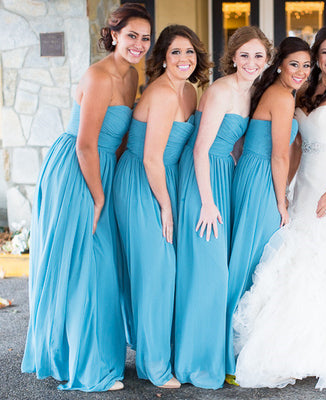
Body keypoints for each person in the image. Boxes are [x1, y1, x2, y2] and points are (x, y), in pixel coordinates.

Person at [233, 26, 326, 398]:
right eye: (324, 53)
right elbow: (293, 145)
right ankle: (293, 344)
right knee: (298, 252)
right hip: (306, 179)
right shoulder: (305, 88)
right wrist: (289, 186)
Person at [21, 4, 151, 392]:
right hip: (78, 174)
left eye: (145, 38)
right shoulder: (99, 75)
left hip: (102, 170)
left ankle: (85, 354)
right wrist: (98, 198)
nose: (139, 44)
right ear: (114, 35)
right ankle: (85, 366)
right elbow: (85, 145)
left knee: (100, 265)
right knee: (84, 266)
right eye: (132, 36)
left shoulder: (132, 74)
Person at [173, 26, 271, 389]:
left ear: (267, 59)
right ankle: (195, 363)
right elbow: (200, 149)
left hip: (223, 175)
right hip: (202, 179)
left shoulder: (252, 92)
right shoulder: (221, 90)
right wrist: (207, 202)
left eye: (258, 56)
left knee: (219, 271)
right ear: (232, 58)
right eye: (244, 55)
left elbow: (236, 144)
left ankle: (214, 356)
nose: (251, 62)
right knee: (208, 272)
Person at [112, 24, 210, 388]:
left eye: (189, 52)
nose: (184, 59)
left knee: (164, 271)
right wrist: (167, 207)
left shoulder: (190, 92)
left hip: (164, 181)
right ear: (163, 58)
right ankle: (154, 366)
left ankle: (158, 350)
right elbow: (151, 158)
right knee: (157, 272)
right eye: (175, 52)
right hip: (142, 180)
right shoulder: (164, 93)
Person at [225, 36, 308, 379]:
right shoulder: (282, 96)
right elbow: (279, 155)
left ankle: (234, 346)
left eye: (307, 65)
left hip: (251, 174)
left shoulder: (273, 92)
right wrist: (281, 201)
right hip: (261, 180)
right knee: (251, 259)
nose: (301, 71)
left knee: (248, 255)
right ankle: (230, 351)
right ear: (279, 65)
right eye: (294, 64)